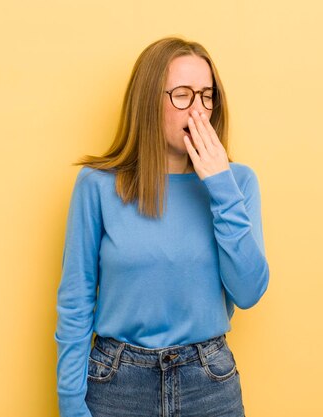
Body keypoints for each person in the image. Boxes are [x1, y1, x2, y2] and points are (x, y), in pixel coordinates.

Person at [54, 36, 270, 417]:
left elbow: (249, 291)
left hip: (209, 384)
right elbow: (76, 301)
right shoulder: (98, 185)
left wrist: (220, 186)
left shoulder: (238, 182)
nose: (199, 110)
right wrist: (71, 404)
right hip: (117, 385)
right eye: (182, 95)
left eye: (206, 95)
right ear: (149, 101)